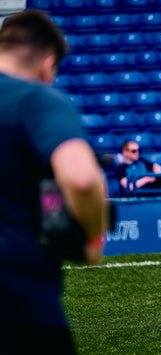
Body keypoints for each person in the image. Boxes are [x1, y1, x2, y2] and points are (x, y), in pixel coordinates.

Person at [0, 9, 108, 353]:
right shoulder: (35, 98)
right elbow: (80, 178)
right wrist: (93, 233)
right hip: (19, 305)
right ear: (47, 64)